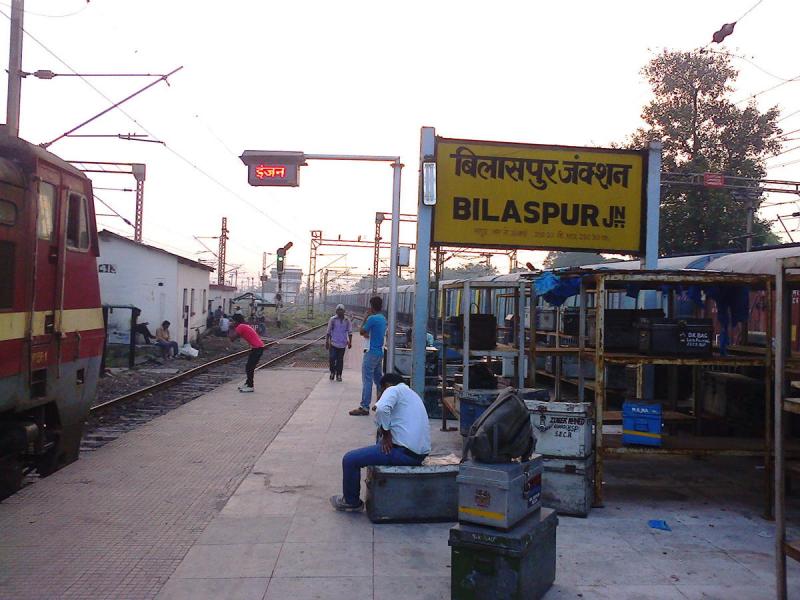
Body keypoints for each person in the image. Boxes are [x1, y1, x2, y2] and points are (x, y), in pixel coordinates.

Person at [331, 373, 431, 511]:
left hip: (402, 453)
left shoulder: (393, 390)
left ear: (386, 386)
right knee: (380, 438)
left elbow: (383, 409)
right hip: (418, 454)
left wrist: (387, 434)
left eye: (381, 390)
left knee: (350, 459)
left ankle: (351, 502)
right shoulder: (411, 394)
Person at [350, 296, 387, 416]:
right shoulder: (382, 318)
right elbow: (370, 333)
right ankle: (381, 403)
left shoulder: (372, 318)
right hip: (379, 353)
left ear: (371, 306)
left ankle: (364, 407)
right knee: (378, 380)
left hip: (370, 352)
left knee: (367, 380)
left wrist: (366, 317)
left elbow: (361, 331)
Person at [228, 313, 265, 392]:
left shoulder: (241, 327)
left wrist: (230, 328)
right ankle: (247, 383)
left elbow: (232, 338)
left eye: (232, 321)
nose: (231, 322)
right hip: (257, 347)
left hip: (257, 348)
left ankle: (250, 386)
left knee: (250, 367)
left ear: (236, 321)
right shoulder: (244, 326)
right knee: (249, 366)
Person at [326, 304, 353, 382]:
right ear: (336, 311)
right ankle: (332, 372)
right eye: (338, 310)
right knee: (332, 358)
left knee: (340, 360)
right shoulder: (332, 320)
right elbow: (328, 331)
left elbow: (350, 332)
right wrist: (327, 342)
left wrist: (350, 342)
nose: (340, 312)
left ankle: (339, 375)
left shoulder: (347, 321)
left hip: (342, 344)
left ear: (344, 311)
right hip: (333, 343)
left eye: (341, 310)